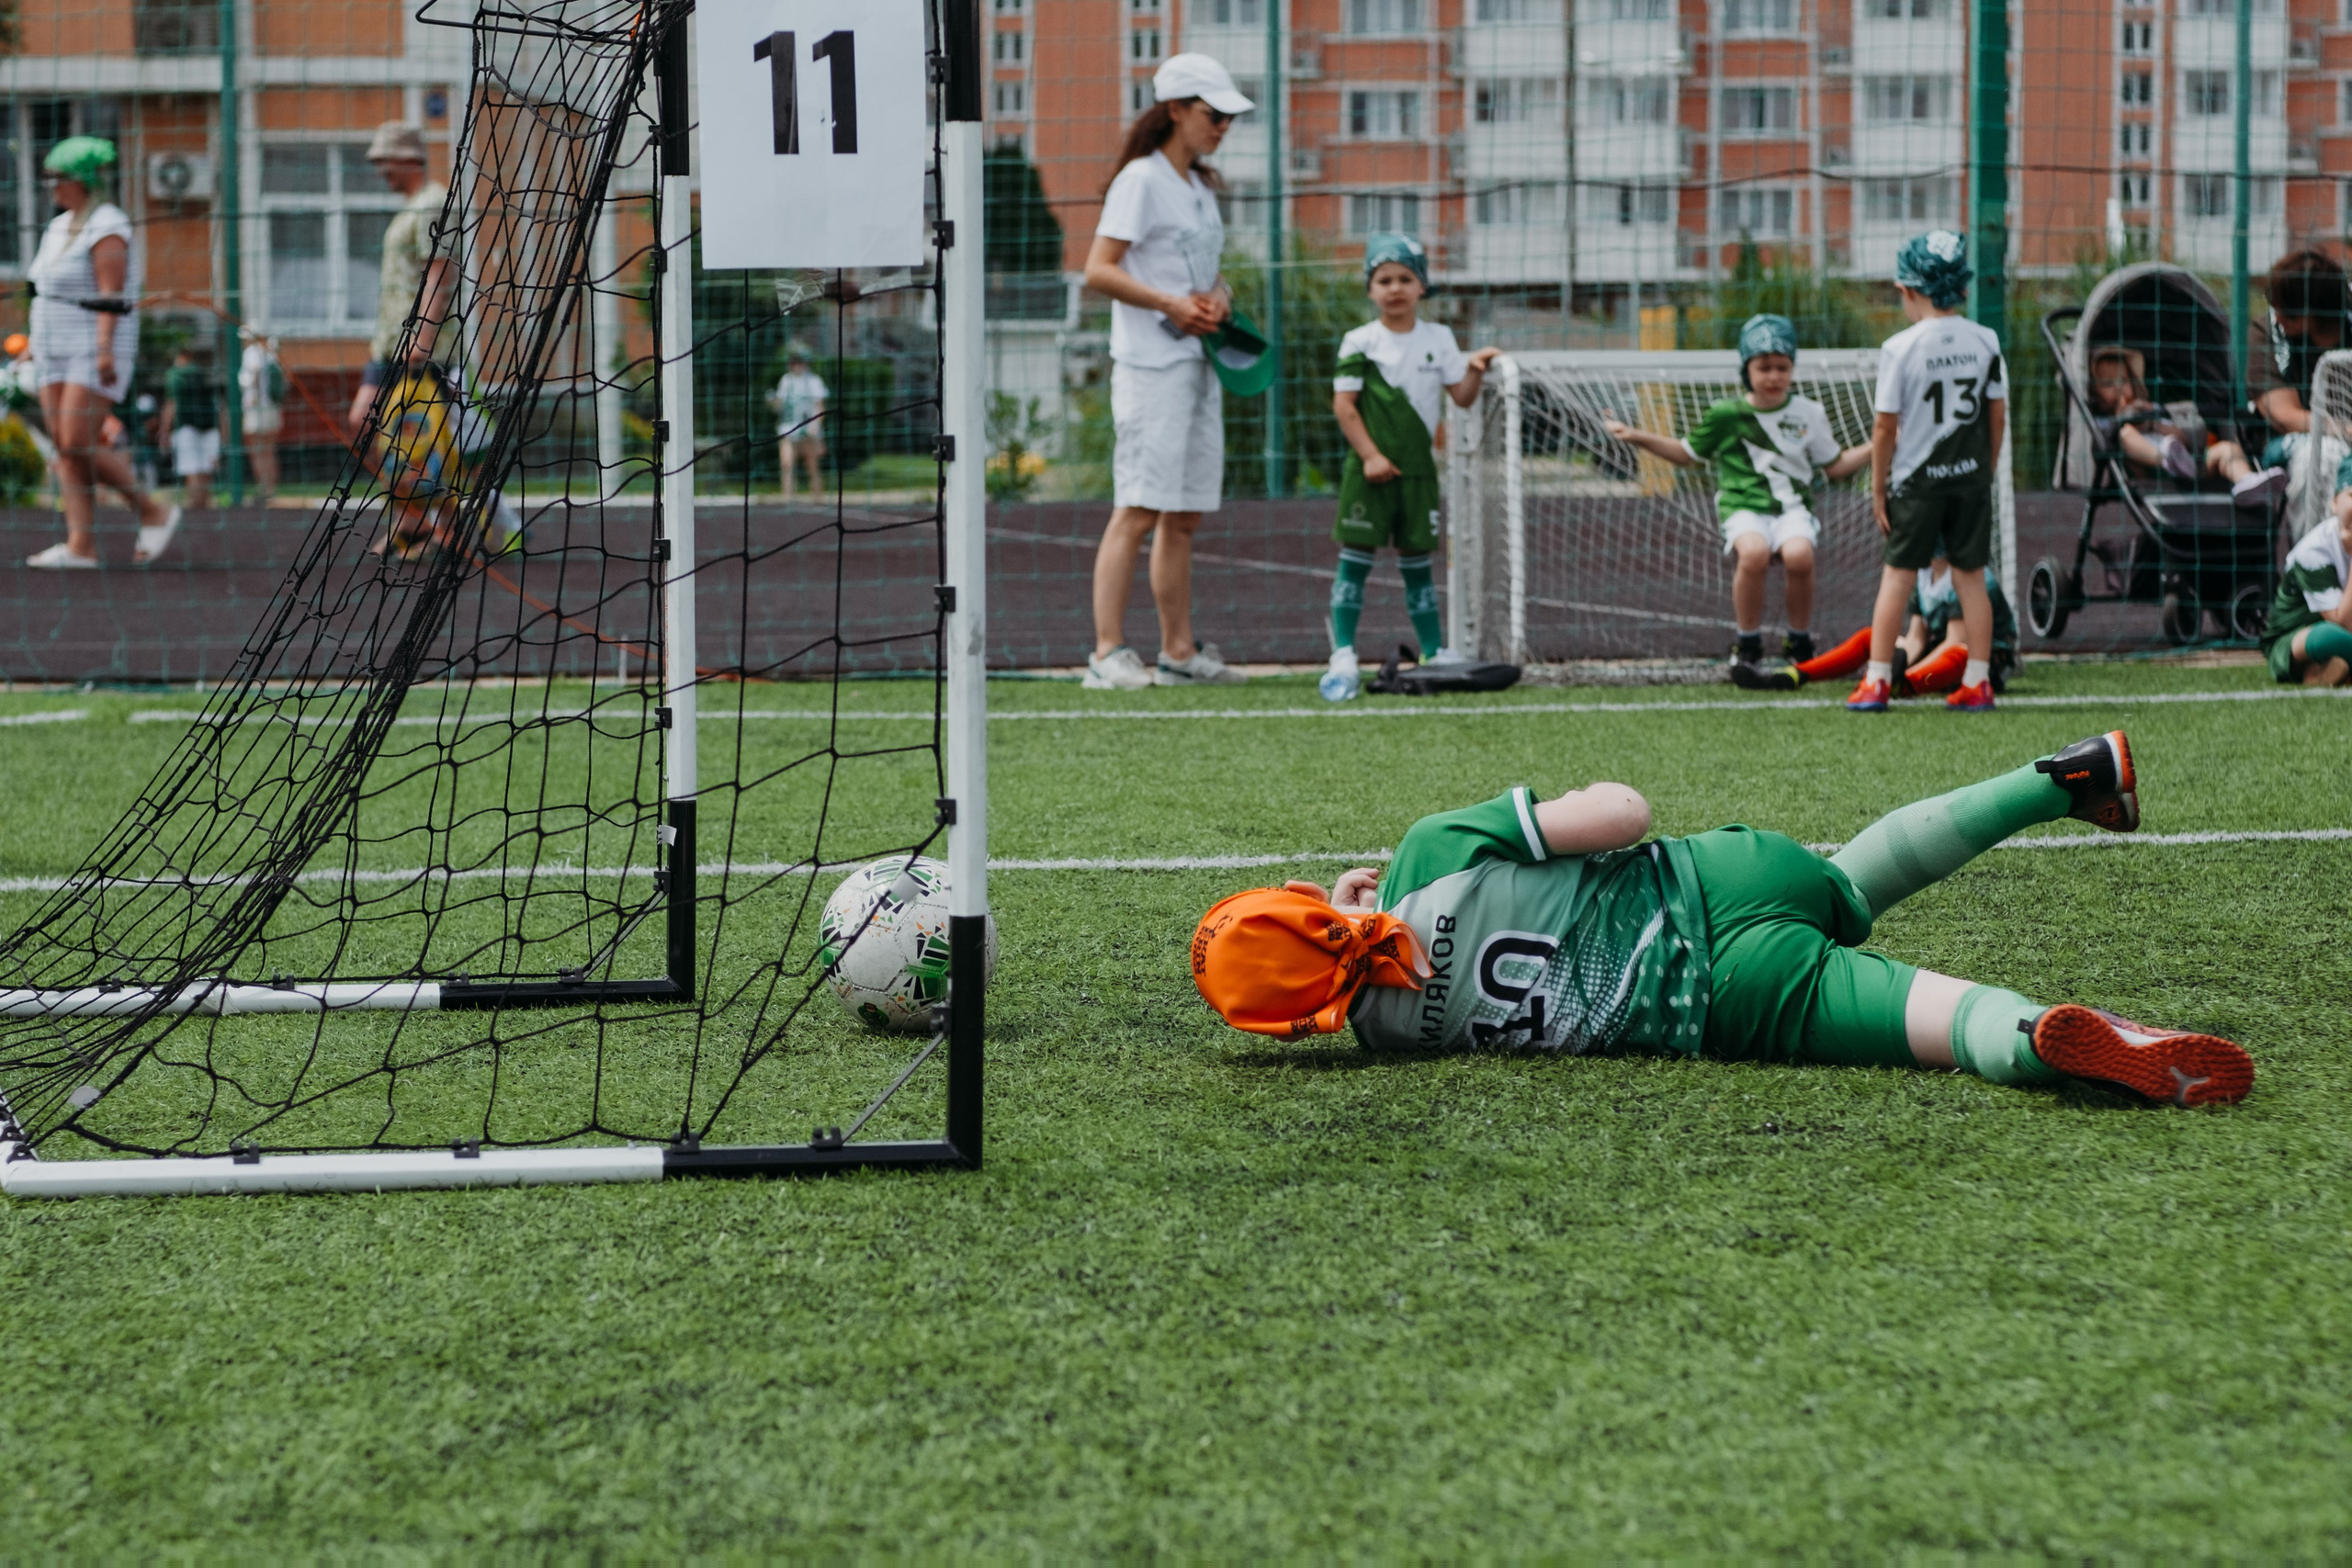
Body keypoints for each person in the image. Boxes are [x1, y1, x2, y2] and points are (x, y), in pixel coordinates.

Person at [1190, 732, 2254, 1107]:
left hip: (1722, 1003)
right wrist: (1362, 895)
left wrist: (1345, 932)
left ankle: (2047, 1039)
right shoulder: (1428, 854)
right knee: (1845, 885)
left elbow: (1369, 975)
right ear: (1302, 906)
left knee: (1947, 1022)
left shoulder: (1378, 1041)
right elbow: (1622, 814)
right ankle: (2061, 780)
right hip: (1720, 877)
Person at [1080, 53, 1253, 690]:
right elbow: (1099, 269)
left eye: (1229, 117)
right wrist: (1172, 304)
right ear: (1176, 110)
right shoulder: (1142, 180)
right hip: (1151, 366)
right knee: (1139, 507)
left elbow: (1203, 274)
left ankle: (1178, 652)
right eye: (1215, 114)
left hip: (1195, 365)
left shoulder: (1201, 188)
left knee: (1183, 513)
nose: (1223, 126)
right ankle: (1106, 653)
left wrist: (1218, 298)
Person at [1603, 313, 1871, 673]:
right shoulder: (1726, 414)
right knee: (1754, 553)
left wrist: (1879, 444)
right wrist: (1638, 436)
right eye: (1764, 367)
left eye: (1782, 367)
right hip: (1743, 506)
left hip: (1792, 508)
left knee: (1800, 556)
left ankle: (1799, 639)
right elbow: (1687, 454)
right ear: (1747, 370)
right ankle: (1747, 641)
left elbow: (1835, 465)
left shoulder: (1808, 413)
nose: (1774, 376)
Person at [1317, 233, 1498, 702]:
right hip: (1369, 472)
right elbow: (1344, 406)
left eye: (1405, 278)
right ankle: (1342, 654)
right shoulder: (1360, 341)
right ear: (1370, 288)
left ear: (1422, 286)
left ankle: (1435, 652)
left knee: (1418, 564)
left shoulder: (1439, 338)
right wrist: (1372, 456)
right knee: (1354, 561)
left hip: (1418, 473)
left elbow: (1461, 396)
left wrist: (1474, 368)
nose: (1394, 288)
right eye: (1383, 279)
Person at [1851, 231, 2004, 715]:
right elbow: (1996, 413)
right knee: (1971, 579)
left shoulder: (1901, 347)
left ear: (1911, 290)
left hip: (1918, 483)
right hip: (1970, 478)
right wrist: (1988, 468)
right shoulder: (1985, 339)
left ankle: (1876, 682)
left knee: (1897, 577)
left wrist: (1878, 488)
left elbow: (1884, 427)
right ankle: (1978, 681)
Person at [21, 136, 179, 569]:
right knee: (65, 446)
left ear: (82, 179)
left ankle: (152, 509)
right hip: (53, 347)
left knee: (76, 440)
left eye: (57, 177)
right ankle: (80, 547)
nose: (50, 186)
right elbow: (46, 294)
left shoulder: (108, 224)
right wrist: (33, 346)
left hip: (94, 348)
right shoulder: (58, 226)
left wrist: (105, 350)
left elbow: (111, 295)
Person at [1737, 551, 2018, 696]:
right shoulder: (1923, 574)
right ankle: (1796, 674)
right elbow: (1916, 639)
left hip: (1981, 665)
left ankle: (1902, 686)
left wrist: (1904, 672)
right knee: (1874, 638)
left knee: (1960, 653)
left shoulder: (1968, 576)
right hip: (1936, 658)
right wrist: (1895, 661)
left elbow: (1955, 640)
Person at [347, 122, 456, 441]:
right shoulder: (412, 206)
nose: (380, 170)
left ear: (408, 158)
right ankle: (403, 492)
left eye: (385, 160)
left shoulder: (432, 203)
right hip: (390, 343)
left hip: (422, 348)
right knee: (365, 424)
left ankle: (470, 492)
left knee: (431, 437)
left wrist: (422, 337)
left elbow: (438, 270)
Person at [2085, 344, 2282, 505]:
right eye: (2108, 384)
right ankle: (2166, 457)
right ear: (2094, 393)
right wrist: (2125, 419)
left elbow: (2182, 435)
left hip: (2189, 464)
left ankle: (2246, 481)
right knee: (2124, 433)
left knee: (2227, 449)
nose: (2119, 388)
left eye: (2123, 380)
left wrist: (2152, 423)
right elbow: (2104, 444)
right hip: (2150, 472)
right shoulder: (2102, 422)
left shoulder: (2150, 408)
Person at [2245, 248, 2347, 492]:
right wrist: (2346, 431)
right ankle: (2310, 533)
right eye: (2273, 305)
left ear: (2320, 311)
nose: (2277, 317)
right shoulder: (2267, 331)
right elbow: (2284, 417)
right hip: (2291, 443)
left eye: (2288, 312)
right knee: (2324, 457)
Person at [2260, 453, 2352, 687]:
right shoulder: (2314, 549)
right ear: (2334, 502)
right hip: (2298, 636)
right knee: (2329, 638)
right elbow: (2342, 624)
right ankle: (2313, 666)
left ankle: (2326, 672)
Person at [159, 345, 220, 510]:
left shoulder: (175, 374)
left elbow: (171, 403)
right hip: (209, 425)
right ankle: (204, 503)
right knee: (206, 468)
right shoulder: (201, 373)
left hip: (186, 426)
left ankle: (196, 507)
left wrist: (164, 430)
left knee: (191, 468)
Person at [771, 350, 827, 501]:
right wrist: (772, 402)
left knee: (812, 466)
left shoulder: (814, 381)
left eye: (799, 362)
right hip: (788, 430)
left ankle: (817, 499)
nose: (796, 366)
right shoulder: (786, 381)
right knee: (787, 464)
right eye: (793, 363)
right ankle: (788, 498)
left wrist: (815, 426)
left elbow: (820, 406)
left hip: (809, 431)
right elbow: (779, 406)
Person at [239, 327, 284, 502]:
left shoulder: (251, 352)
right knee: (269, 451)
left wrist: (255, 397)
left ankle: (264, 489)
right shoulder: (271, 353)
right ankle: (270, 489)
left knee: (257, 450)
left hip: (257, 408)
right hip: (272, 407)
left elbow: (255, 372)